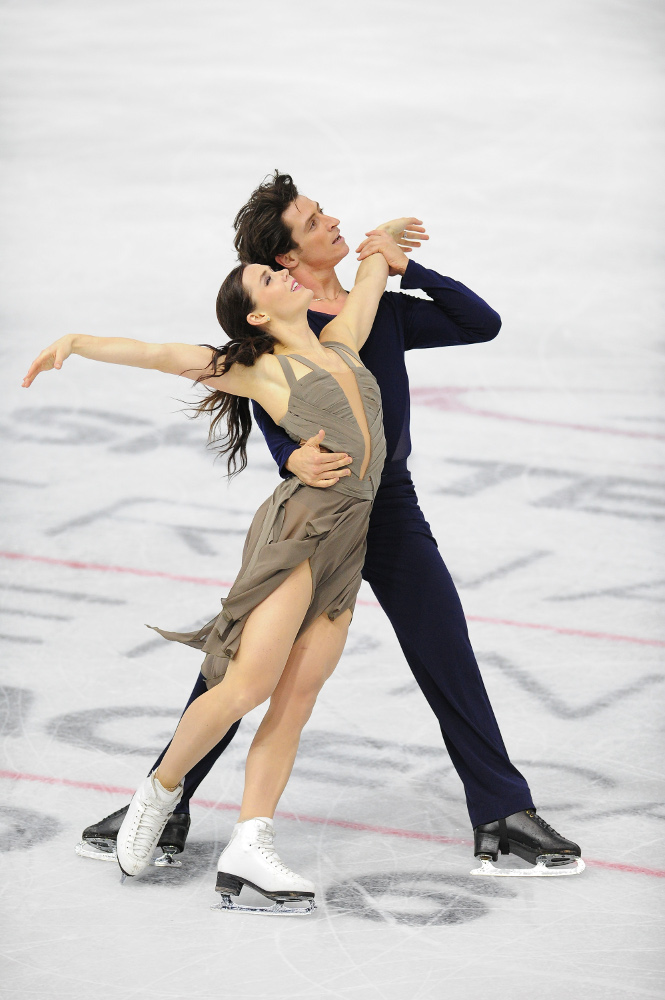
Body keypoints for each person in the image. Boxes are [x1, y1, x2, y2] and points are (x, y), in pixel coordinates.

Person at [78, 172, 582, 878]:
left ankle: (500, 808)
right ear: (286, 260)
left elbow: (480, 323)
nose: (333, 222)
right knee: (242, 664)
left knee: (444, 644)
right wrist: (294, 458)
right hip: (320, 511)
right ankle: (169, 800)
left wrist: (408, 265)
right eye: (315, 221)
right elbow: (280, 417)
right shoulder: (285, 330)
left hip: (392, 506)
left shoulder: (378, 314)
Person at [22, 239, 394, 912]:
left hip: (351, 536)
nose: (283, 273)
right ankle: (158, 793)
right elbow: (161, 354)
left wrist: (384, 243)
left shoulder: (340, 341)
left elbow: (368, 278)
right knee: (249, 684)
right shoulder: (259, 369)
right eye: (267, 276)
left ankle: (252, 844)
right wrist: (76, 340)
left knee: (298, 699)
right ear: (255, 314)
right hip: (299, 532)